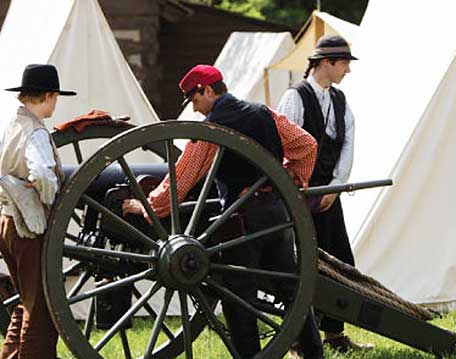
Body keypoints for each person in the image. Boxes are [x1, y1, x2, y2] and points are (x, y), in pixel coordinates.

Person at [123, 64, 323, 359]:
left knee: (239, 295)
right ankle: (313, 355)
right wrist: (287, 179)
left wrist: (148, 206)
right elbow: (307, 145)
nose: (194, 108)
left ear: (206, 90)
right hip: (277, 213)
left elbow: (182, 178)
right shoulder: (263, 113)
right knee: (291, 290)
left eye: (194, 99)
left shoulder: (213, 128)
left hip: (241, 222)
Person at [277, 35, 372, 353]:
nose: (347, 69)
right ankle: (299, 338)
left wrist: (337, 185)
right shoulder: (295, 97)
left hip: (329, 193)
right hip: (299, 194)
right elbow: (286, 146)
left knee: (340, 259)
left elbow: (348, 144)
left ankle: (334, 334)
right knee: (304, 265)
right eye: (344, 63)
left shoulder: (341, 102)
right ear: (326, 63)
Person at [0, 64, 76, 359]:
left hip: (8, 221)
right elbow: (43, 175)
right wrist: (52, 197)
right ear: (48, 95)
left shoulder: (13, 125)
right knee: (42, 312)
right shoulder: (35, 132)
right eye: (56, 97)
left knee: (26, 304)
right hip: (28, 228)